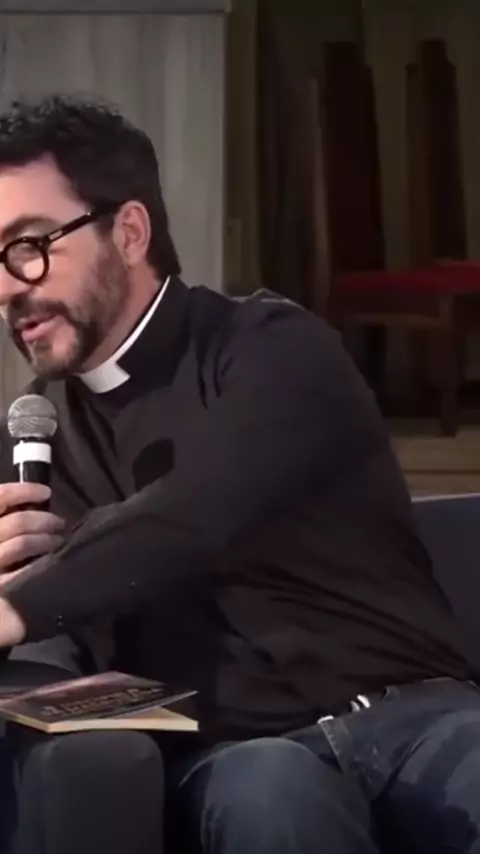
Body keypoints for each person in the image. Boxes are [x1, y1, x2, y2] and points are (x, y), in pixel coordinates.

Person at [0, 95, 478, 854]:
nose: (8, 287)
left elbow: (203, 507)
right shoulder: (37, 439)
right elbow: (50, 661)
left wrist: (19, 603)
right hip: (242, 756)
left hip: (417, 716)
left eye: (28, 245)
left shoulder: (270, 345)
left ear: (129, 232)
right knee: (272, 797)